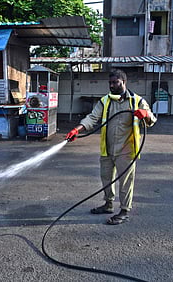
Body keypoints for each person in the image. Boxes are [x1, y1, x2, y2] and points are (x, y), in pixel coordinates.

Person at [65, 69, 156, 225]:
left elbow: (152, 119)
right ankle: (108, 204)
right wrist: (77, 129)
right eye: (110, 83)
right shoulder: (105, 101)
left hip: (127, 149)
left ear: (124, 82)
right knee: (106, 178)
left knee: (126, 181)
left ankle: (124, 210)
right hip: (108, 148)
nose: (112, 86)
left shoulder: (137, 101)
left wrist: (145, 114)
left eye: (115, 82)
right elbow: (92, 118)